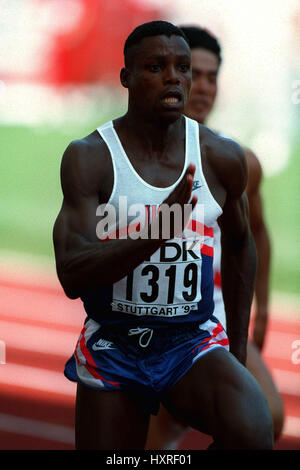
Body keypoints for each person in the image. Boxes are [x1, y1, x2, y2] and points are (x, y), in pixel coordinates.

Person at [53, 20, 273, 450]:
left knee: (254, 431)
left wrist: (238, 351)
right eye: (156, 67)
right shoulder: (91, 158)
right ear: (127, 78)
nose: (174, 77)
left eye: (183, 67)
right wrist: (154, 233)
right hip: (114, 343)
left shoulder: (220, 156)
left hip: (189, 341)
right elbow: (71, 275)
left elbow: (244, 244)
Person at [146, 25, 283, 450]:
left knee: (267, 418)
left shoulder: (240, 161)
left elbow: (255, 235)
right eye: (193, 73)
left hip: (216, 318)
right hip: (148, 320)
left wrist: (259, 316)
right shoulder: (131, 156)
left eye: (212, 76)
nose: (202, 87)